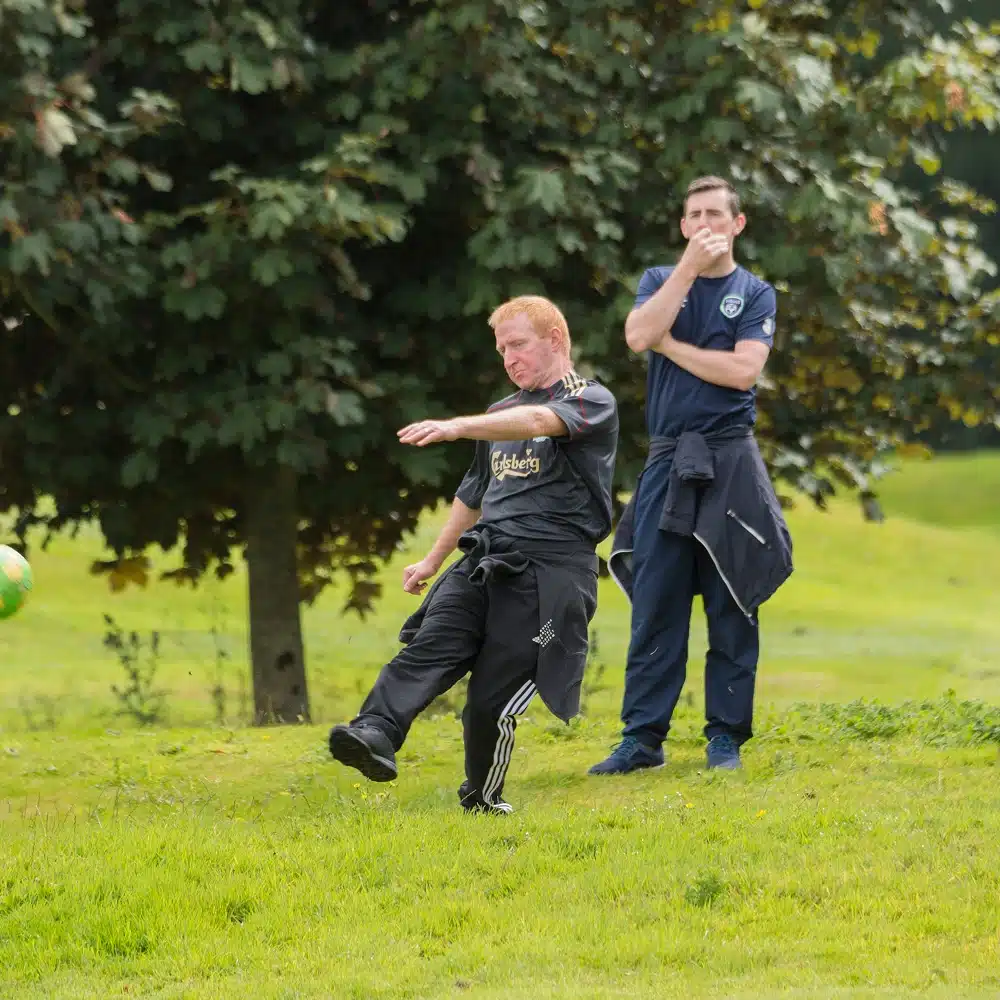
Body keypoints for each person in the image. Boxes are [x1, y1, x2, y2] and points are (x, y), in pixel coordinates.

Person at [329, 295, 619, 813]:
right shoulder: (498, 414)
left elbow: (537, 423)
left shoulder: (590, 399)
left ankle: (483, 799)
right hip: (485, 558)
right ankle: (375, 732)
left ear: (555, 340)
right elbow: (474, 493)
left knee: (490, 700)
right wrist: (433, 560)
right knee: (430, 645)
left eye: (518, 344)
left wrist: (457, 426)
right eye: (501, 348)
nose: (508, 358)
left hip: (552, 572)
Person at [590, 175, 793, 776]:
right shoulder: (660, 280)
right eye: (694, 215)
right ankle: (641, 739)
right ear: (684, 227)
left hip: (730, 457)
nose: (705, 223)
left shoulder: (755, 294)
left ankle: (724, 738)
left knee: (734, 596)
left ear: (738, 223)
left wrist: (672, 347)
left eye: (716, 213)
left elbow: (741, 372)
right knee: (656, 600)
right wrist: (684, 272)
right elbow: (636, 336)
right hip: (667, 457)